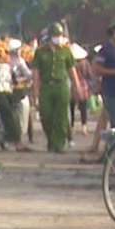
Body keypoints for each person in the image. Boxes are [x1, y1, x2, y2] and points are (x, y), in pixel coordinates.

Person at [32, 23, 80, 153]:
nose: (57, 38)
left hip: (62, 86)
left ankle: (58, 144)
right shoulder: (40, 52)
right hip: (47, 86)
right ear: (49, 36)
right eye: (55, 35)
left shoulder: (65, 51)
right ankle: (51, 139)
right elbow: (35, 71)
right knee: (46, 115)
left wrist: (77, 86)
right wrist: (35, 89)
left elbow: (72, 69)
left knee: (61, 116)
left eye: (59, 35)